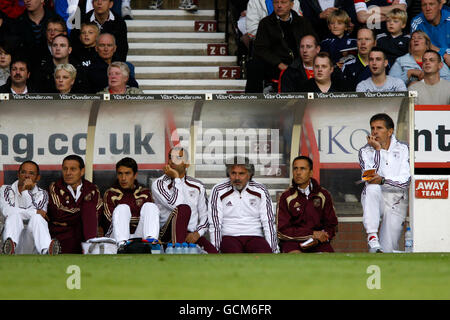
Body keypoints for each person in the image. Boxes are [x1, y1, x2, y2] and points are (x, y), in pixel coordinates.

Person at [359, 113, 410, 253]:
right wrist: (377, 150)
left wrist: (383, 180)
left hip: (397, 201)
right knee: (372, 187)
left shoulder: (404, 149)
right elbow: (369, 178)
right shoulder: (365, 150)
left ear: (390, 131)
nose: (374, 131)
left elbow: (404, 182)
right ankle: (372, 236)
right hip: (376, 198)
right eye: (372, 128)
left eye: (379, 128)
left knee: (387, 250)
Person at [151, 147, 217, 253]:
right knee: (184, 208)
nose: (172, 161)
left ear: (187, 164)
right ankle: (178, 250)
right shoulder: (159, 184)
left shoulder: (197, 186)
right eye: (170, 158)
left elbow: (205, 216)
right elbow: (177, 205)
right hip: (167, 234)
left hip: (191, 235)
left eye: (178, 158)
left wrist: (197, 233)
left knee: (214, 254)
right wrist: (176, 178)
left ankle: (181, 248)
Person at [208, 156, 278, 253]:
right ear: (228, 174)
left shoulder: (260, 190)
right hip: (229, 236)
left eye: (241, 173)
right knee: (233, 256)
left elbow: (268, 222)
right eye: (233, 173)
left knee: (264, 254)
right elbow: (215, 224)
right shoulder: (218, 190)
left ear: (249, 175)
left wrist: (274, 251)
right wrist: (215, 251)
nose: (237, 178)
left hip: (255, 236)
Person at [245, 0, 315, 93]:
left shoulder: (302, 22)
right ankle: (252, 101)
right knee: (254, 65)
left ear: (291, 4)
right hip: (274, 63)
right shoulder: (265, 23)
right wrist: (278, 63)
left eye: (283, 2)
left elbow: (314, 42)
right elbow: (260, 48)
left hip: (299, 61)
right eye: (276, 2)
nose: (279, 6)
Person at [277, 156, 338, 253]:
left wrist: (322, 236)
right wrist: (311, 234)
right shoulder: (286, 196)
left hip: (318, 242)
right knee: (295, 257)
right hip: (293, 243)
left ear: (311, 173)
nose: (298, 172)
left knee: (327, 259)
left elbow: (332, 225)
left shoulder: (323, 195)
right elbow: (282, 231)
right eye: (295, 168)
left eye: (303, 169)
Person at [0, 161, 61, 255]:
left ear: (38, 178)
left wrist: (26, 192)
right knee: (14, 216)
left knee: (37, 218)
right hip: (10, 238)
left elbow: (39, 216)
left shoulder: (42, 194)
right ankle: (10, 248)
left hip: (31, 241)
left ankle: (46, 251)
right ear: (18, 174)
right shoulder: (5, 189)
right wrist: (35, 212)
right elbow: (6, 211)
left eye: (31, 173)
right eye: (23, 172)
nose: (27, 176)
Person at [47, 155, 103, 254]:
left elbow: (97, 212)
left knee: (89, 207)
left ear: (82, 171)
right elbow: (58, 213)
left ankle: (90, 248)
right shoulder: (55, 187)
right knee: (87, 208)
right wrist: (84, 214)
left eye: (73, 169)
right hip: (63, 235)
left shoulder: (92, 188)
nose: (68, 173)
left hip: (84, 234)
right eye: (65, 169)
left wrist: (81, 213)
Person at [102, 157, 160, 248]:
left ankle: (151, 242)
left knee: (150, 206)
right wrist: (138, 217)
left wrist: (131, 218)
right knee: (122, 208)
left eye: (127, 173)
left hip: (138, 234)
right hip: (116, 237)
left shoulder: (144, 193)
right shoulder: (110, 193)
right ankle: (122, 246)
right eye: (120, 174)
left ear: (135, 175)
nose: (123, 178)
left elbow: (150, 219)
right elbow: (112, 220)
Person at [410, 0, 449, 67]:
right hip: (429, 62)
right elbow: (419, 47)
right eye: (424, 5)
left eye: (431, 4)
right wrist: (444, 54)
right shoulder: (417, 22)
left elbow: (426, 44)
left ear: (440, 6)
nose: (428, 8)